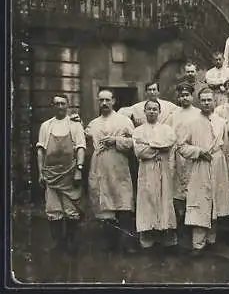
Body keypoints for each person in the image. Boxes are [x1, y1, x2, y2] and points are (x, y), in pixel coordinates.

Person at [177, 88, 229, 255]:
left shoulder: (221, 122)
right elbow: (181, 146)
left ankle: (212, 240)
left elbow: (226, 146)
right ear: (199, 102)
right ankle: (198, 244)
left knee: (216, 202)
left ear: (215, 101)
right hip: (200, 166)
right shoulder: (191, 123)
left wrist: (220, 159)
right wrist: (198, 152)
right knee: (200, 203)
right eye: (203, 100)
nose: (207, 103)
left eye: (210, 100)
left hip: (217, 164)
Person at [86, 90, 137, 253]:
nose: (104, 103)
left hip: (119, 164)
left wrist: (116, 140)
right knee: (105, 204)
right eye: (101, 100)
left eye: (108, 100)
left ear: (114, 101)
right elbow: (85, 140)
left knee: (122, 202)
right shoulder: (93, 123)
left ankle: (127, 243)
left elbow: (135, 142)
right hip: (100, 165)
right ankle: (110, 244)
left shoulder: (124, 121)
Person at [36, 94, 86, 254]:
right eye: (56, 103)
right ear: (53, 106)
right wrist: (40, 173)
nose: (59, 106)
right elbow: (40, 151)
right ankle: (58, 244)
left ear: (68, 105)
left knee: (71, 211)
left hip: (70, 174)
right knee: (53, 210)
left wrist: (79, 169)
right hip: (50, 174)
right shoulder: (46, 126)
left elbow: (80, 148)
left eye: (62, 103)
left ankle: (71, 244)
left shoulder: (75, 125)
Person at [133, 100, 178, 250]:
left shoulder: (167, 129)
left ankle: (166, 235)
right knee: (147, 200)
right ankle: (147, 236)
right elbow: (140, 152)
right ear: (144, 112)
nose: (152, 112)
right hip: (146, 170)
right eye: (149, 109)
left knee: (164, 199)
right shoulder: (138, 131)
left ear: (159, 112)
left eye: (155, 109)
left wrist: (149, 144)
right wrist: (159, 146)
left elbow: (170, 143)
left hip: (163, 169)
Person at [165, 83, 201, 241]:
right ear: (178, 97)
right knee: (178, 191)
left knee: (194, 190)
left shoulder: (199, 114)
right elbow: (166, 132)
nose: (184, 97)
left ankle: (193, 226)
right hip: (178, 157)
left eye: (187, 94)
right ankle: (180, 228)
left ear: (192, 96)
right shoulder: (174, 115)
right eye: (182, 95)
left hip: (194, 155)